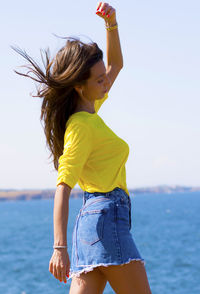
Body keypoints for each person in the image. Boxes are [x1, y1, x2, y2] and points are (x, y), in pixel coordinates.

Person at [12, 2, 152, 293]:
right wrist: (58, 247)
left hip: (91, 227)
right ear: (79, 86)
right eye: (99, 80)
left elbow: (116, 65)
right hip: (107, 219)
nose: (106, 82)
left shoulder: (89, 109)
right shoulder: (81, 126)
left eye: (104, 77)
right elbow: (63, 186)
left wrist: (111, 23)